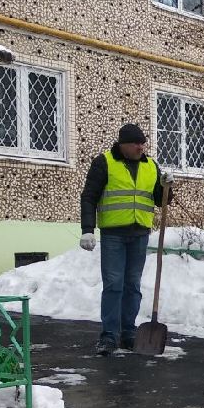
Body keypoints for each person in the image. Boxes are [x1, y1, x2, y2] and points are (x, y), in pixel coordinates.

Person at [79, 124, 173, 356]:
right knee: (113, 285)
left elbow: (162, 200)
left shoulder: (151, 165)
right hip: (113, 234)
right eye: (136, 143)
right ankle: (109, 336)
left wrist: (168, 186)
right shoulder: (104, 162)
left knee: (133, 286)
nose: (141, 147)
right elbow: (89, 196)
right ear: (124, 145)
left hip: (139, 234)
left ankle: (129, 333)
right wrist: (87, 229)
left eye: (143, 143)